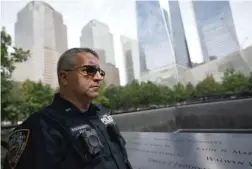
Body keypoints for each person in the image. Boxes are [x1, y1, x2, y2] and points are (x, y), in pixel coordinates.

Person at [3, 48, 133, 169]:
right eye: (89, 70)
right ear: (64, 78)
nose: (99, 78)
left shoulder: (102, 113)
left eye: (100, 72)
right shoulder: (41, 127)